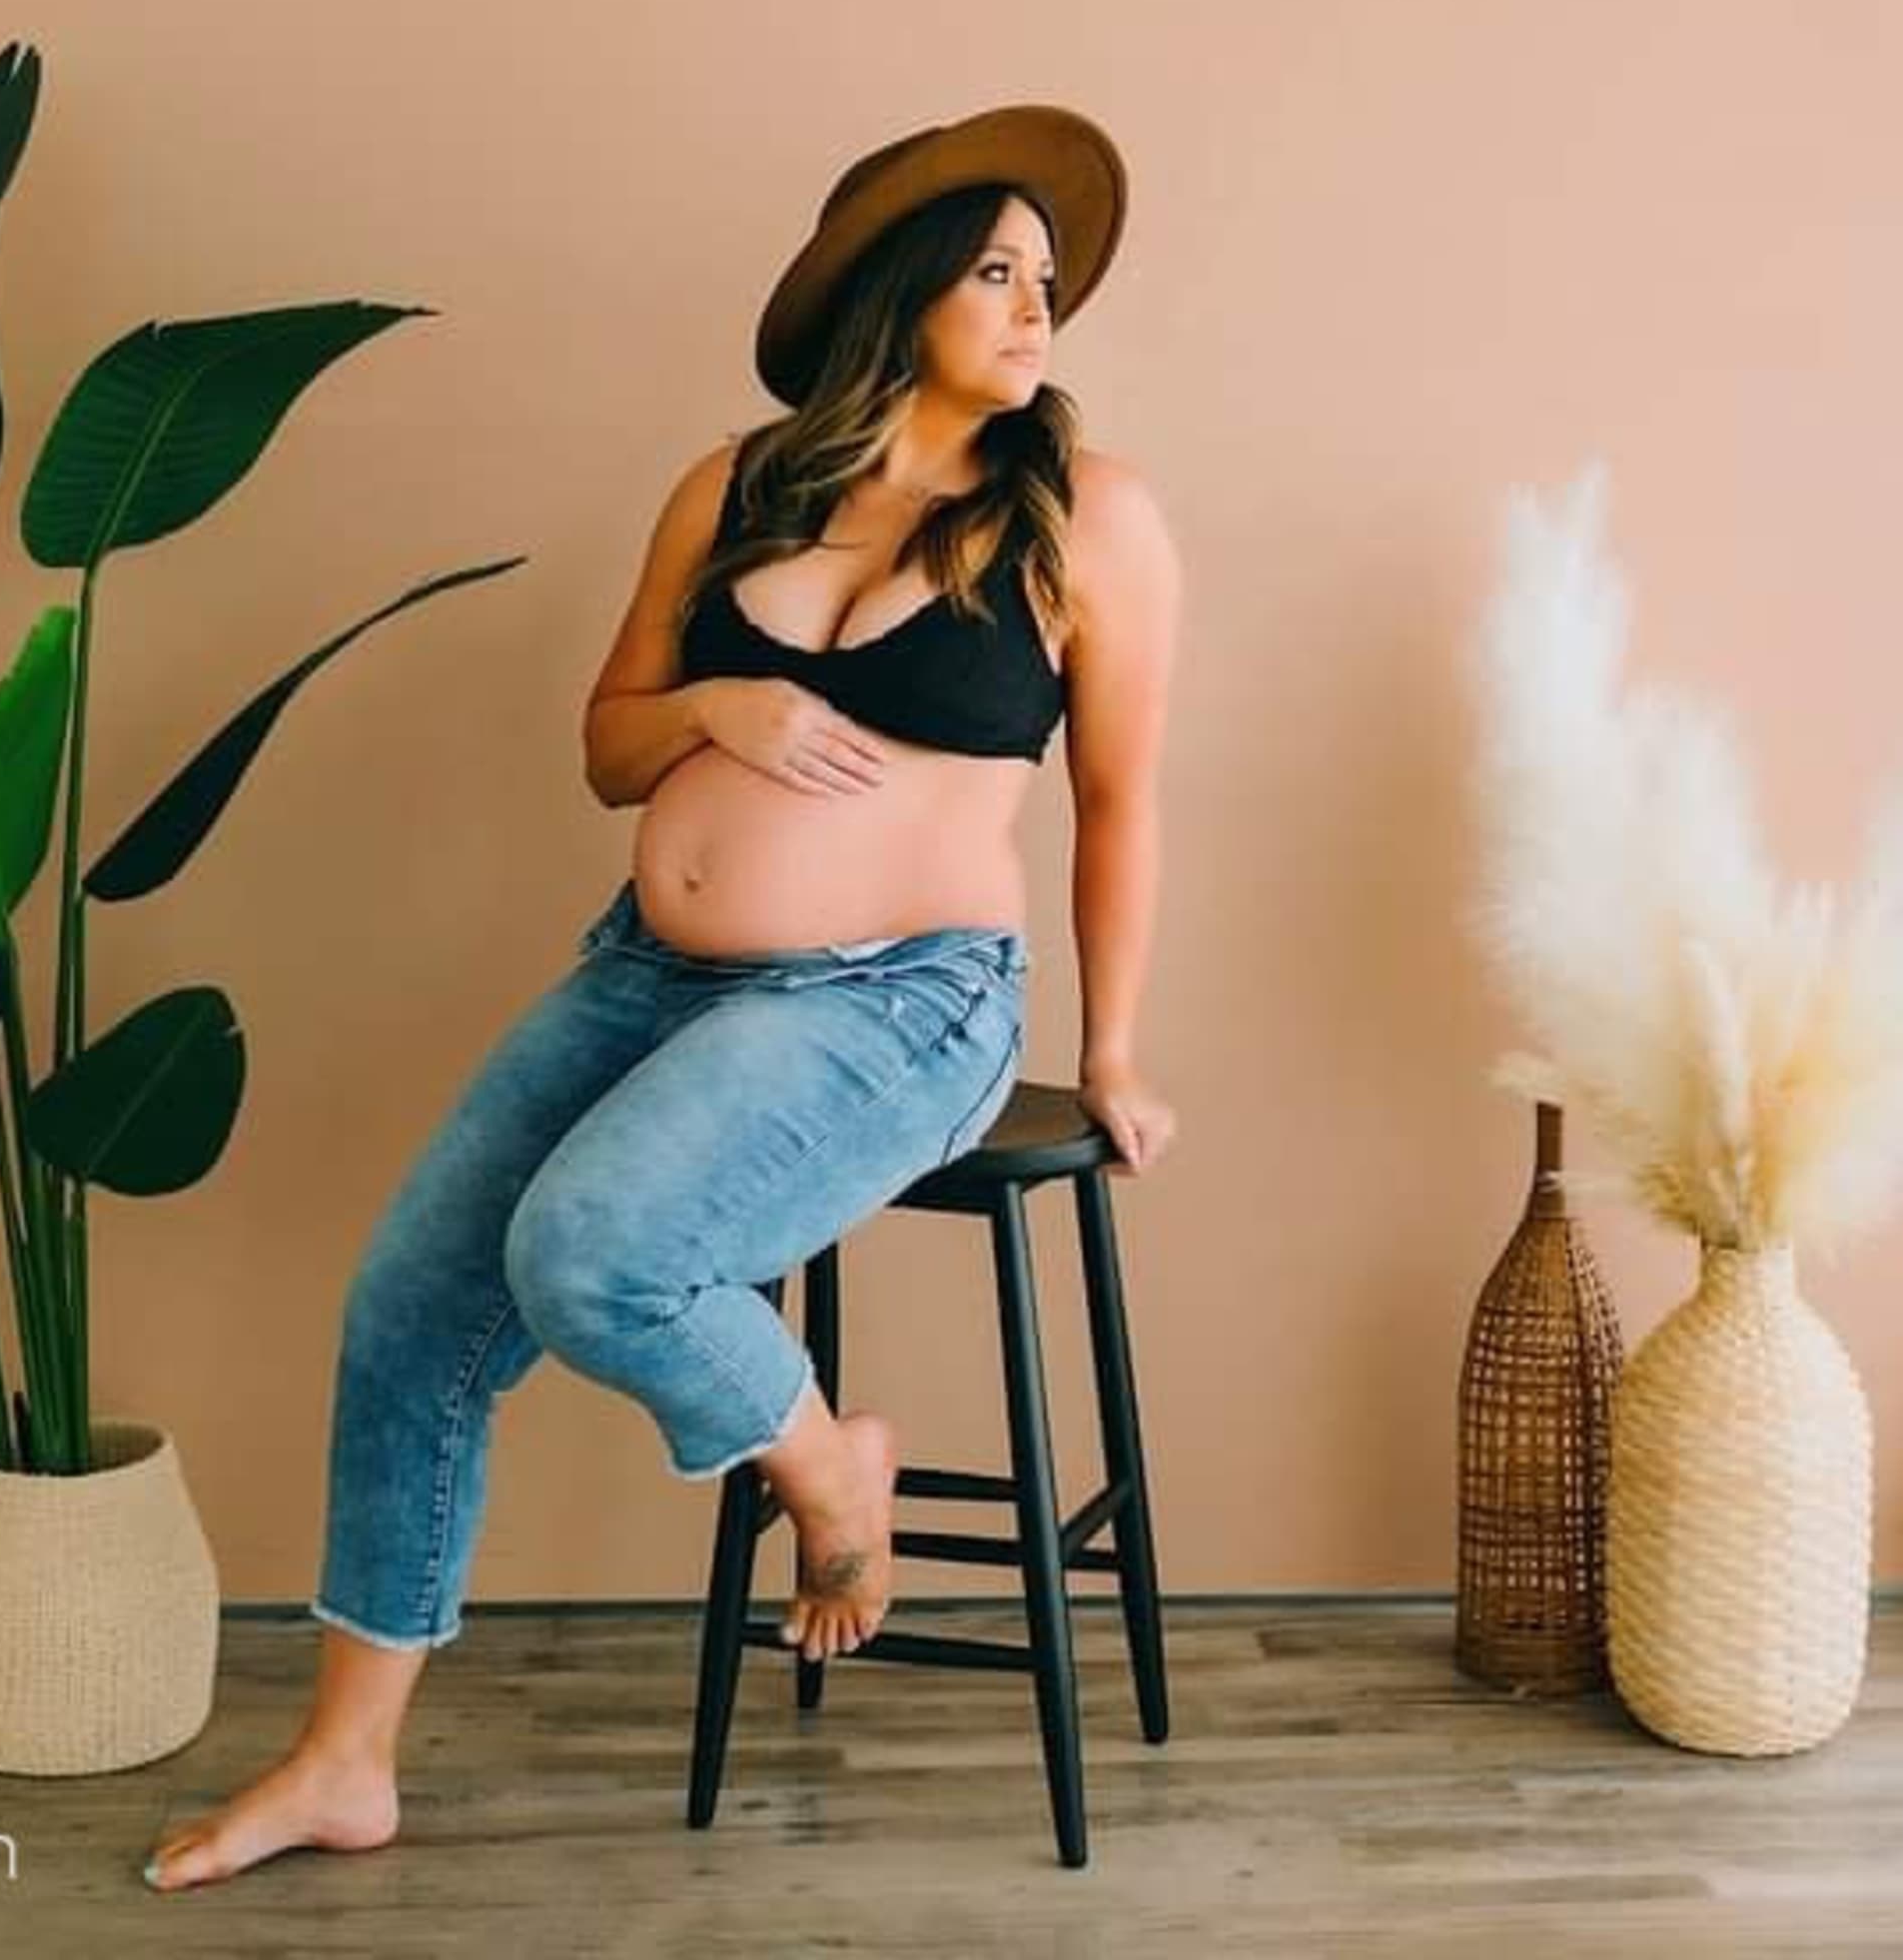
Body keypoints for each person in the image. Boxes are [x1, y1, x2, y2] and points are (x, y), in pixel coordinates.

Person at [144, 105, 1184, 1892]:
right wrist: (718, 711)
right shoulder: (736, 489)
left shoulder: (1088, 519)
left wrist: (1108, 1049)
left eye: (1046, 280)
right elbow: (609, 748)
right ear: (900, 292)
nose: (1036, 311)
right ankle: (344, 1762)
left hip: (902, 1003)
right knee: (408, 1307)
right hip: (649, 976)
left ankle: (834, 1482)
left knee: (596, 1254)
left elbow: (1120, 799)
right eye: (996, 272)